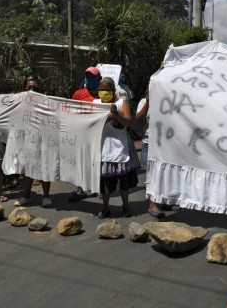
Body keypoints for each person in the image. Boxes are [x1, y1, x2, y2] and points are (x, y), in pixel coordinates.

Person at [94, 77, 139, 218]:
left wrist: (116, 114)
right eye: (101, 90)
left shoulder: (121, 103)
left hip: (119, 148)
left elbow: (128, 122)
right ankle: (105, 207)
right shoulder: (95, 104)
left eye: (107, 90)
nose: (104, 93)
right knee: (105, 183)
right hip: (102, 149)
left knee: (123, 182)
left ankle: (126, 206)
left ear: (113, 91)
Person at [14, 75, 52, 207]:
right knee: (26, 170)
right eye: (30, 87)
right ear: (25, 87)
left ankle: (46, 196)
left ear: (39, 88)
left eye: (35, 87)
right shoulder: (18, 101)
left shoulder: (47, 101)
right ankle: (26, 196)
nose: (32, 89)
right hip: (25, 140)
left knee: (44, 168)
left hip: (44, 140)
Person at [69, 66, 102, 202]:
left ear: (99, 78)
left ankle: (97, 188)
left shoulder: (104, 93)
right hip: (81, 134)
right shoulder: (78, 94)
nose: (89, 79)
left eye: (92, 77)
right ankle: (80, 190)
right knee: (81, 162)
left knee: (97, 161)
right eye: (87, 76)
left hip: (99, 134)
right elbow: (70, 111)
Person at [135, 89, 166, 218]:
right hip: (149, 143)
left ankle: (164, 200)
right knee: (151, 176)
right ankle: (152, 205)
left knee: (165, 173)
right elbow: (138, 119)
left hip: (166, 144)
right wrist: (148, 102)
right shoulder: (143, 101)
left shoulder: (167, 100)